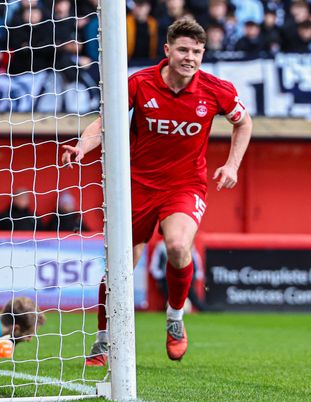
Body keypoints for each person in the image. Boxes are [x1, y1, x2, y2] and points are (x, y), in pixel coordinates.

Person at [61, 18, 252, 364]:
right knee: (122, 263)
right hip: (136, 186)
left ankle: (176, 317)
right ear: (168, 50)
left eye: (196, 51)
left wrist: (232, 165)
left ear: (203, 53)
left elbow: (244, 122)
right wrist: (83, 147)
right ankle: (104, 339)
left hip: (185, 185)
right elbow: (105, 121)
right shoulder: (140, 83)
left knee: (179, 245)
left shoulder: (215, 89)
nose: (189, 57)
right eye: (183, 49)